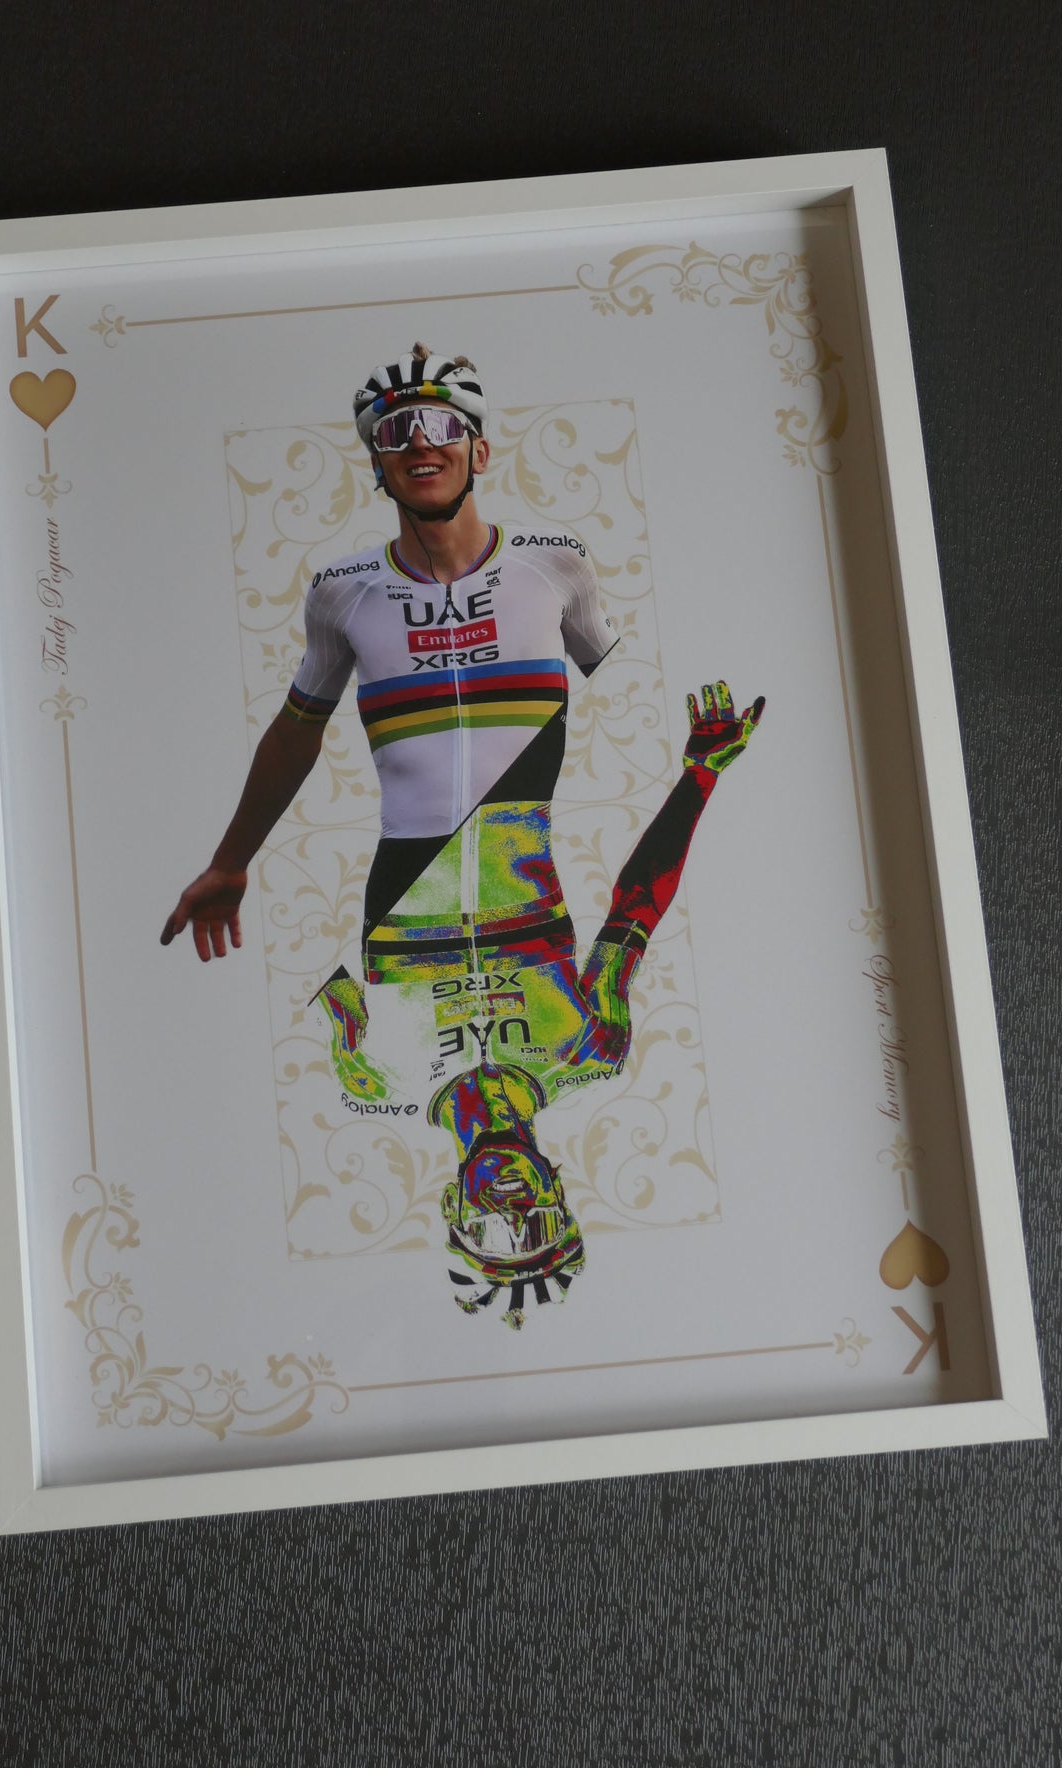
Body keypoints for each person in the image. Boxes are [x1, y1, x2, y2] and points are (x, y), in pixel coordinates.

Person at [163, 344, 763, 1326]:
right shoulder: (590, 1049)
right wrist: (701, 772)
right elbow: (635, 905)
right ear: (376, 462)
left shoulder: (371, 1076)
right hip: (498, 866)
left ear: (480, 450)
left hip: (405, 889)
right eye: (397, 431)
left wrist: (236, 873)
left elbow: (619, 670)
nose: (421, 442)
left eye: (442, 425)